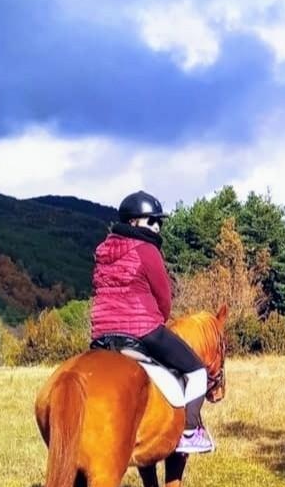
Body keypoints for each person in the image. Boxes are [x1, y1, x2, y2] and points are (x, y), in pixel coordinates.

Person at [90, 191, 213, 455]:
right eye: (151, 221)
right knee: (197, 371)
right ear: (133, 222)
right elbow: (164, 297)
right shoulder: (147, 250)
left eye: (159, 222)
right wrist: (160, 319)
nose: (157, 227)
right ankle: (190, 432)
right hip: (142, 329)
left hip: (101, 334)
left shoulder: (101, 251)